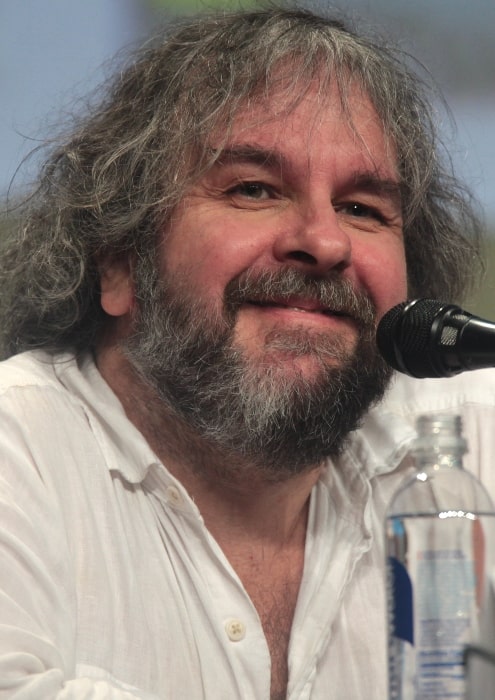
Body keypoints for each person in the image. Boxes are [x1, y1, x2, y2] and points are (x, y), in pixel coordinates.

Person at [0, 5, 493, 699]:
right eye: (253, 190)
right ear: (118, 261)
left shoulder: (472, 437)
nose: (324, 243)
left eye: (362, 208)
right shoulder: (18, 455)